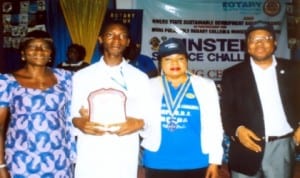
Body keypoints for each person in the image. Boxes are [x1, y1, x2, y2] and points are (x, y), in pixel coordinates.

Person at [71, 21, 161, 178]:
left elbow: (149, 115)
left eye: (122, 36)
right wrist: (78, 122)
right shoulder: (81, 76)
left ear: (127, 42)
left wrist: (140, 123)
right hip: (91, 146)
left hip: (124, 147)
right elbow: (72, 114)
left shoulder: (139, 78)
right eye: (110, 35)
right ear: (100, 39)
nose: (116, 40)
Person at [220, 21, 300, 178]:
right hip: (245, 147)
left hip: (281, 147)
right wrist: (237, 130)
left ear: (274, 43)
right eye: (254, 39)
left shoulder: (294, 70)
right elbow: (226, 111)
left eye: (265, 38)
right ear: (247, 45)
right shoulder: (232, 74)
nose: (259, 43)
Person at [142, 38, 224, 178]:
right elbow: (137, 120)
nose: (175, 63)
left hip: (197, 161)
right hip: (157, 160)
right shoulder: (147, 86)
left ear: (187, 61)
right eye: (168, 59)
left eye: (180, 58)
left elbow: (215, 126)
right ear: (161, 63)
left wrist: (215, 162)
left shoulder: (205, 86)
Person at [0, 30, 76, 178]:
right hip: (21, 158)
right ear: (23, 53)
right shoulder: (7, 81)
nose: (39, 51)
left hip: (59, 157)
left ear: (50, 54)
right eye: (32, 46)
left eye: (45, 47)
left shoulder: (66, 78)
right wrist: (1, 165)